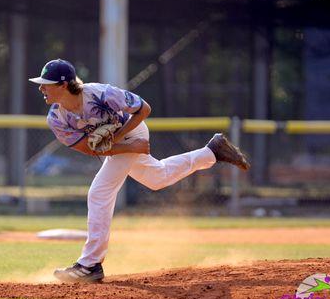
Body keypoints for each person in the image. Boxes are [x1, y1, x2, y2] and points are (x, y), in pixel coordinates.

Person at [29, 59, 250, 283]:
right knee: (158, 178)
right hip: (124, 144)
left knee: (99, 192)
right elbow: (87, 148)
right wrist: (125, 147)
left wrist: (125, 140)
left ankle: (90, 264)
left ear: (64, 85)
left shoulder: (100, 94)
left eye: (46, 83)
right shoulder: (56, 118)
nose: (41, 88)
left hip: (134, 132)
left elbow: (144, 109)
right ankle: (212, 152)